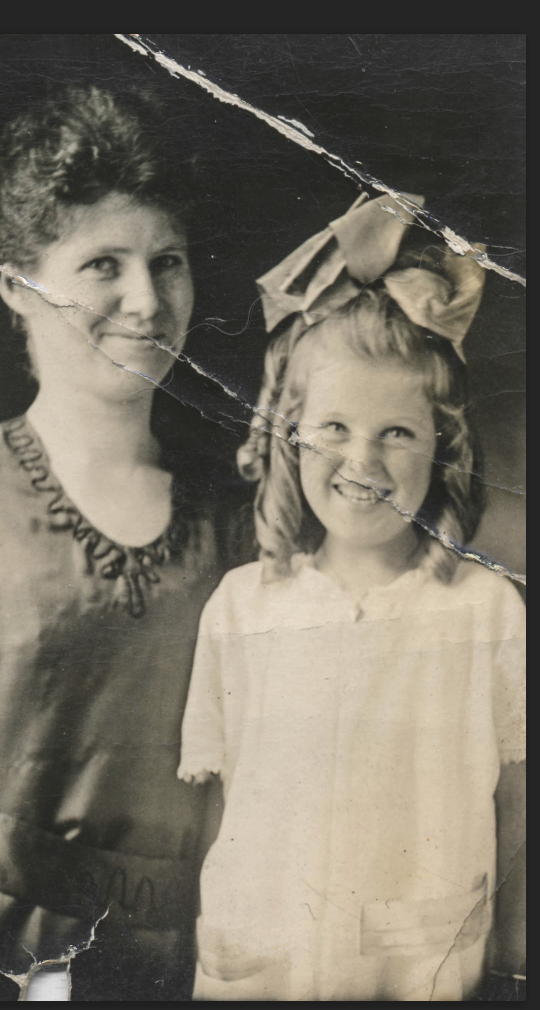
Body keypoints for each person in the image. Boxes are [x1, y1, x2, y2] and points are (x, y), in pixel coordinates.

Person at [0, 85, 254, 999]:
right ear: (10, 281)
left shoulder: (241, 519)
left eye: (168, 261)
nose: (146, 300)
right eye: (104, 264)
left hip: (187, 968)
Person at [178, 194, 527, 1000]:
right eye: (332, 428)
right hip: (262, 967)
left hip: (415, 971)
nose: (361, 462)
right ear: (287, 431)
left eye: (396, 433)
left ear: (444, 443)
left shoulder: (485, 612)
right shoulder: (244, 606)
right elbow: (223, 810)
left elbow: (515, 812)